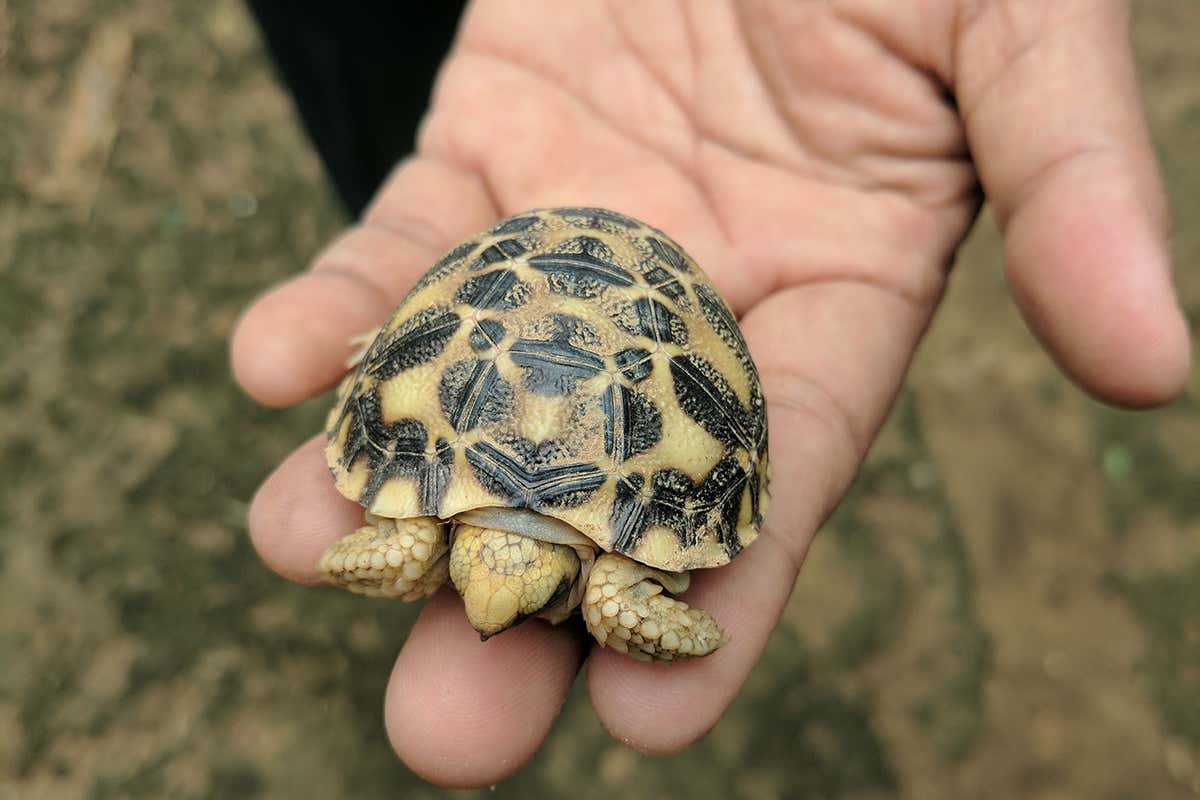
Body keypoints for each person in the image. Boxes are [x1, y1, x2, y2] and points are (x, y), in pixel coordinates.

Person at [230, 1, 1191, 789]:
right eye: (504, 599)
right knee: (370, 102)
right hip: (443, 166)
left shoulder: (593, 578)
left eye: (508, 597)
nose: (487, 619)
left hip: (612, 310)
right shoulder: (457, 540)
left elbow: (452, 554)